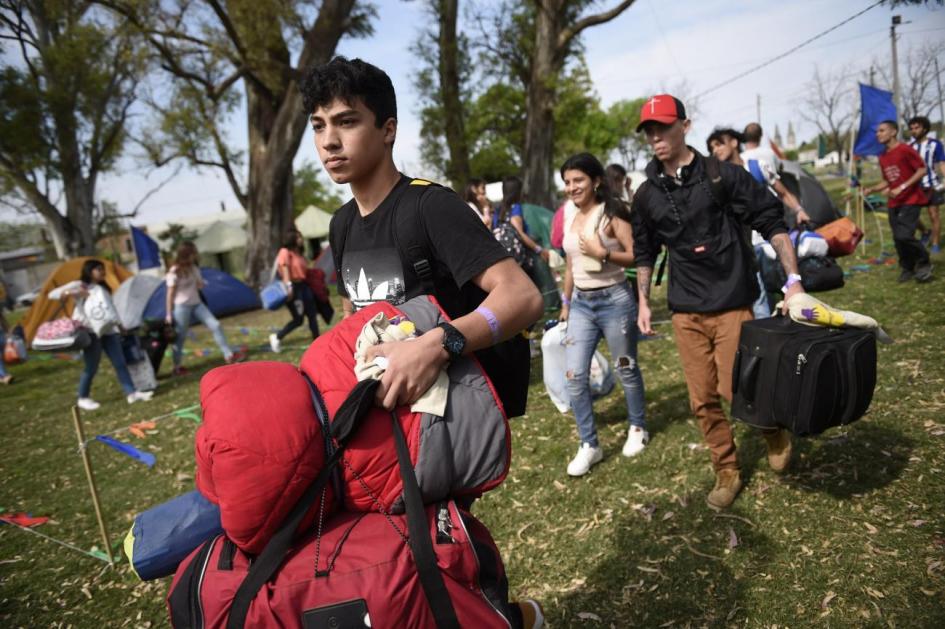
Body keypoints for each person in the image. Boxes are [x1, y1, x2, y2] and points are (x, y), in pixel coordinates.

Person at [300, 56, 544, 627]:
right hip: (379, 427)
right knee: (397, 570)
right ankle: (514, 616)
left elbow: (522, 298)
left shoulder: (429, 205)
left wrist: (437, 344)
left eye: (346, 121)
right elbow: (353, 316)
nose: (329, 141)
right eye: (317, 125)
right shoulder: (339, 225)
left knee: (435, 558)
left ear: (387, 130)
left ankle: (508, 616)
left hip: (443, 423)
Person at [629, 95, 803, 511]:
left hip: (731, 301)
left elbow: (771, 219)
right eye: (648, 130)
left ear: (684, 126)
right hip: (685, 309)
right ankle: (726, 469)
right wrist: (643, 301)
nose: (655, 136)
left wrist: (793, 281)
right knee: (702, 397)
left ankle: (771, 429)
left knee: (735, 387)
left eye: (663, 126)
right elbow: (643, 251)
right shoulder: (646, 194)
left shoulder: (724, 176)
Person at [558, 153, 648, 477]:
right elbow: (570, 264)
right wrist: (566, 303)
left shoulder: (611, 212)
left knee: (626, 368)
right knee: (574, 376)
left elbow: (638, 256)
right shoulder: (570, 213)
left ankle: (638, 427)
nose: (572, 188)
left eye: (578, 180)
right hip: (581, 304)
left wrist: (604, 254)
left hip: (615, 301)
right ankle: (589, 444)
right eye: (567, 182)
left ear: (595, 181)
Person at [707, 126, 808, 318]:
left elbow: (783, 192)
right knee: (759, 301)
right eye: (712, 147)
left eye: (720, 144)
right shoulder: (716, 179)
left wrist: (799, 210)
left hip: (771, 245)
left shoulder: (757, 166)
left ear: (734, 143)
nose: (716, 150)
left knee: (783, 290)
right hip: (745, 249)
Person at [49, 259, 153, 410]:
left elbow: (110, 309)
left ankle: (131, 393)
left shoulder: (102, 288)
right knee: (91, 366)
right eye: (99, 269)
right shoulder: (80, 285)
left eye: (103, 269)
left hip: (109, 331)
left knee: (120, 363)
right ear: (89, 271)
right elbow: (53, 294)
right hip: (90, 332)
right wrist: (73, 292)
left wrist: (120, 326)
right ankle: (83, 397)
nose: (102, 272)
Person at [863, 120, 932, 283]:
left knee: (904, 235)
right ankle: (907, 267)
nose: (877, 134)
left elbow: (922, 170)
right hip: (894, 202)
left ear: (893, 132)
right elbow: (888, 180)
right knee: (897, 238)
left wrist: (902, 187)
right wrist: (872, 189)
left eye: (882, 130)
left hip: (911, 199)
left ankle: (924, 262)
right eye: (877, 131)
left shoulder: (905, 150)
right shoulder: (883, 156)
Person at [164, 241, 244, 375]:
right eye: (193, 253)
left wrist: (202, 283)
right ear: (186, 255)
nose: (195, 256)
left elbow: (199, 284)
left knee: (216, 325)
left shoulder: (194, 268)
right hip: (181, 307)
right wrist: (168, 313)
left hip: (197, 304)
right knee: (180, 337)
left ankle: (228, 355)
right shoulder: (174, 272)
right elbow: (170, 294)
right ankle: (176, 367)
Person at [269, 228, 320, 353]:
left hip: (304, 286)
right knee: (298, 319)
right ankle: (277, 336)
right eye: (298, 237)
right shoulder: (285, 252)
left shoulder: (299, 253)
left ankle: (317, 343)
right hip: (293, 288)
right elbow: (285, 272)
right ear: (291, 239)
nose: (301, 239)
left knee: (312, 315)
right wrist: (289, 289)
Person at [908, 115, 944, 254]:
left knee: (933, 215)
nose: (914, 131)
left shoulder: (935, 144)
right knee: (912, 216)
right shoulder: (910, 147)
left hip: (932, 184)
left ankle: (935, 243)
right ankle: (925, 232)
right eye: (911, 129)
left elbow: (942, 163)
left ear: (925, 128)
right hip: (915, 187)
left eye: (917, 128)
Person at [493, 177, 550, 266]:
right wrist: (539, 250)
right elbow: (520, 233)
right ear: (518, 192)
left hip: (500, 256)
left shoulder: (497, 209)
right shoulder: (515, 207)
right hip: (516, 258)